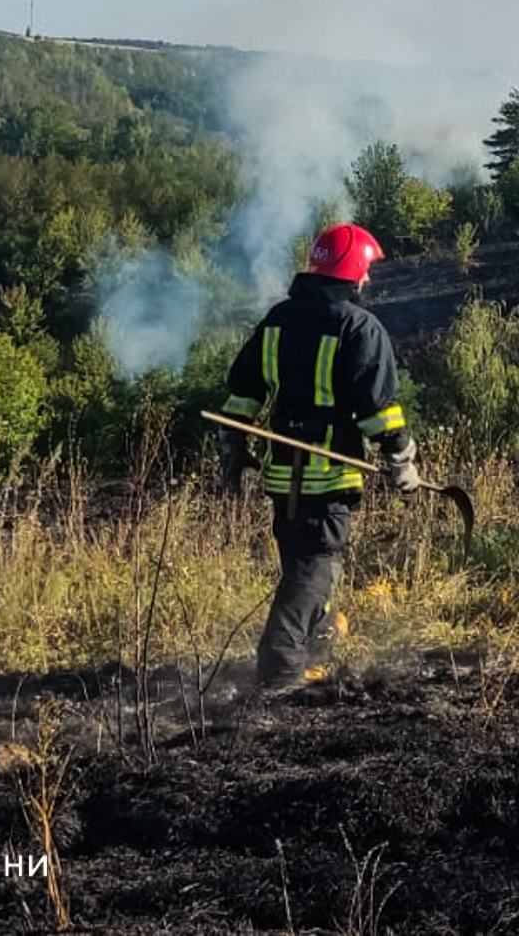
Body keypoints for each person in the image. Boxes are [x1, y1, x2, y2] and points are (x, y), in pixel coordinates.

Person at [216, 222, 422, 690]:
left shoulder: (277, 320)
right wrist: (402, 457)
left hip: (282, 475)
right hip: (327, 476)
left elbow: (243, 394)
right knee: (316, 568)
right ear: (353, 271)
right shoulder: (358, 326)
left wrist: (233, 447)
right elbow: (379, 411)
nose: (369, 281)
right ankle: (282, 667)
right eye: (367, 271)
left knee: (301, 566)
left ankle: (319, 648)